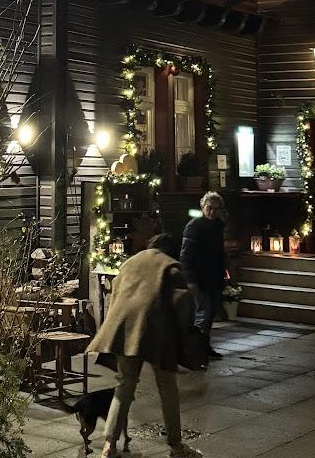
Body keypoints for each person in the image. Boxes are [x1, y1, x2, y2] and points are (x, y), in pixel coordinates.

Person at [87, 234, 203, 458]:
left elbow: (116, 294)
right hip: (157, 334)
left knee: (125, 384)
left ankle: (109, 446)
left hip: (124, 329)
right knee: (168, 388)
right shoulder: (171, 267)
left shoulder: (130, 263)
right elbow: (182, 305)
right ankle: (176, 446)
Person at [180, 191, 227, 360]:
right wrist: (190, 280)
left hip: (214, 277)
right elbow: (186, 256)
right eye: (209, 208)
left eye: (216, 208)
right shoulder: (194, 226)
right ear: (203, 207)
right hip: (199, 278)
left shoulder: (218, 226)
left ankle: (204, 346)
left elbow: (219, 253)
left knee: (210, 313)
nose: (212, 212)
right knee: (202, 314)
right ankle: (196, 350)